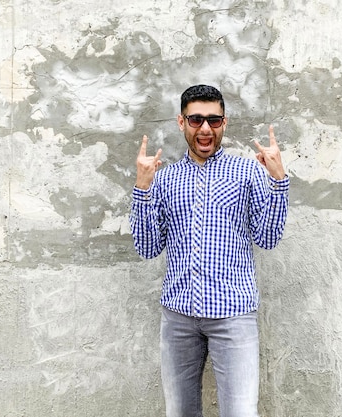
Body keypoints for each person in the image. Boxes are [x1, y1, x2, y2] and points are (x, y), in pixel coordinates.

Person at [129, 84, 289, 417]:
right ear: (181, 122)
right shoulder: (165, 179)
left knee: (241, 412)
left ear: (224, 123)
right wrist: (142, 189)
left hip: (233, 314)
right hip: (178, 317)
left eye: (214, 121)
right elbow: (147, 247)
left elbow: (268, 237)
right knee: (180, 412)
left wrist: (278, 181)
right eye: (196, 119)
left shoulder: (247, 173)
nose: (205, 129)